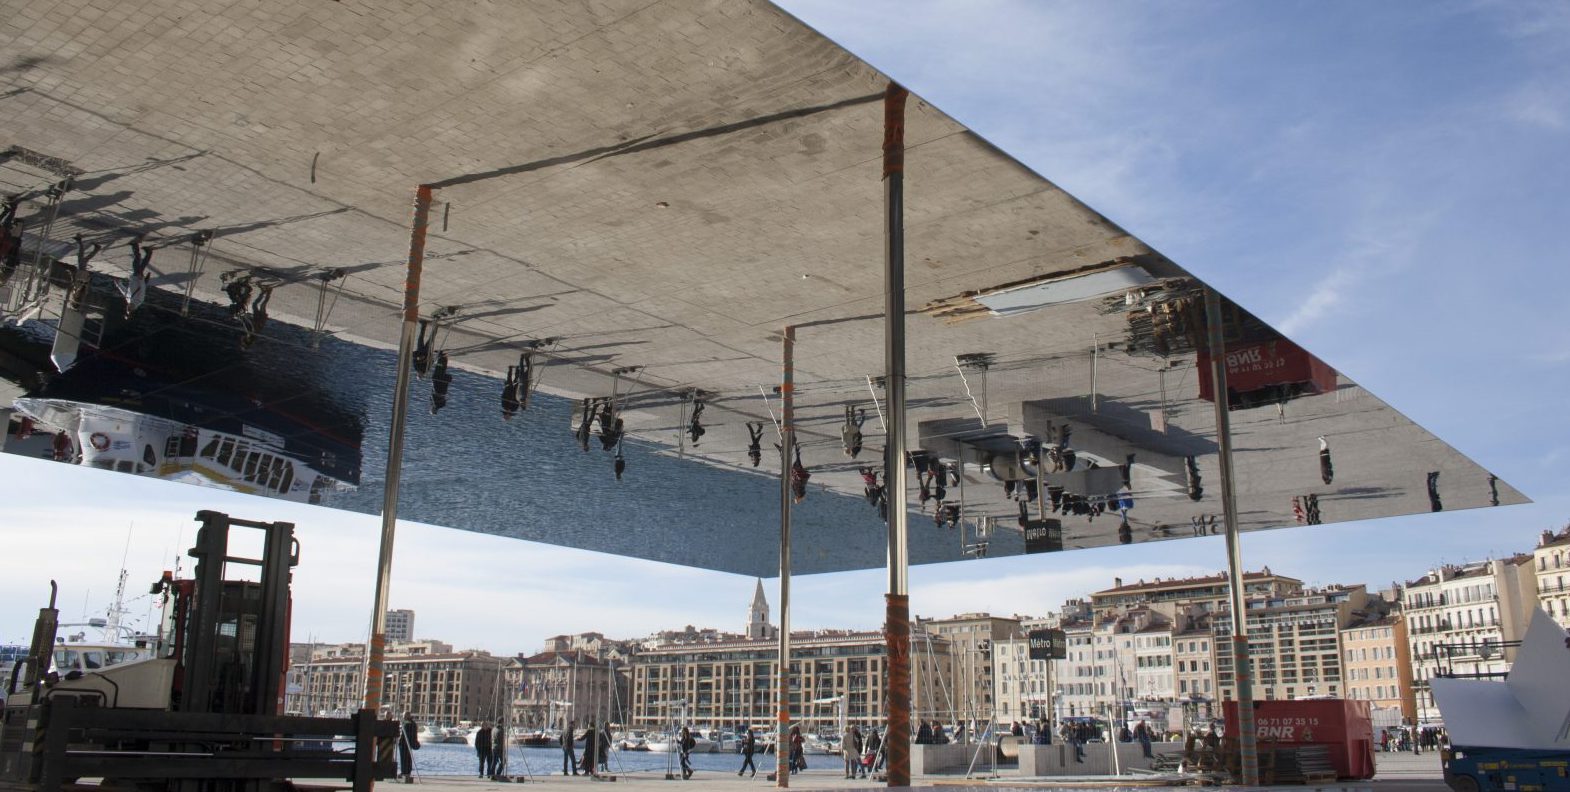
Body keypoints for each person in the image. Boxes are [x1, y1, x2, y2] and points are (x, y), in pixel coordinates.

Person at [122, 234, 153, 317]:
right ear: (133, 310)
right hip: (138, 278)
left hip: (134, 277)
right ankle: (135, 244)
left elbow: (124, 291)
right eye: (129, 309)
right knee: (136, 261)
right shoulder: (139, 300)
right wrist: (141, 279)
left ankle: (148, 252)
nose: (128, 307)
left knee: (142, 264)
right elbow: (143, 288)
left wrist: (117, 283)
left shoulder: (129, 300)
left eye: (127, 308)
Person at [239, 283, 273, 350]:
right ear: (247, 342)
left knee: (257, 305)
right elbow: (252, 325)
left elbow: (247, 326)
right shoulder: (250, 336)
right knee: (261, 305)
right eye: (243, 343)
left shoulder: (251, 337)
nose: (242, 341)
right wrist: (245, 318)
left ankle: (264, 291)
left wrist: (243, 319)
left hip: (258, 319)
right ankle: (268, 291)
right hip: (260, 319)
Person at [398, 712, 421, 783]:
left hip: (407, 743)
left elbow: (412, 734)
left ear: (408, 716)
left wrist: (413, 742)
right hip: (404, 743)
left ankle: (406, 772)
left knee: (406, 758)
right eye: (403, 715)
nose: (403, 716)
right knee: (404, 758)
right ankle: (405, 771)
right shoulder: (407, 723)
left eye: (404, 715)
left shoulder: (410, 723)